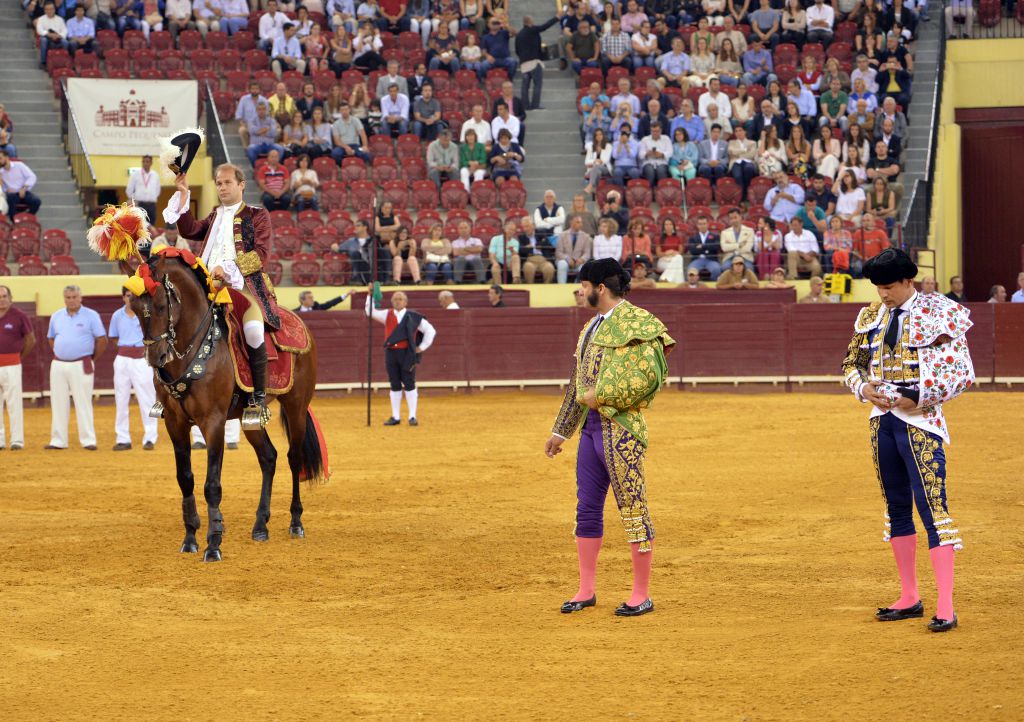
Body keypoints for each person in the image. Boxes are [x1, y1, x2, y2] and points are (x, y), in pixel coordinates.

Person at [841, 249, 975, 633]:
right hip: (881, 420)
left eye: (888, 287)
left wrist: (916, 397)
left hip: (921, 421)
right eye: (878, 288)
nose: (882, 295)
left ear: (907, 281)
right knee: (896, 507)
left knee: (933, 507)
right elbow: (851, 364)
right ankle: (909, 596)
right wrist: (865, 388)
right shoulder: (871, 316)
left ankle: (946, 605)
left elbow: (961, 372)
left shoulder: (939, 311)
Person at [546, 258, 675, 617]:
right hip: (590, 430)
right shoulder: (589, 328)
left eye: (584, 286)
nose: (579, 291)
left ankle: (641, 594)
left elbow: (647, 378)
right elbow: (578, 383)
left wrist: (598, 396)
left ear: (600, 288)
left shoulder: (640, 324)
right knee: (586, 509)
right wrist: (561, 431)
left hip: (622, 429)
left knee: (633, 508)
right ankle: (586, 590)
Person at [164, 164, 277, 425]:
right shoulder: (214, 215)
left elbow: (260, 255)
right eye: (218, 183)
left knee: (253, 331)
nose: (222, 187)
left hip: (243, 288)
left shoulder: (257, 215)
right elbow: (189, 230)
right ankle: (169, 392)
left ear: (241, 184)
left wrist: (228, 269)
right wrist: (183, 195)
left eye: (227, 182)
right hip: (206, 287)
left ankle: (258, 398)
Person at [46, 285, 106, 450]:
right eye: (68, 297)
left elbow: (102, 339)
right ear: (64, 298)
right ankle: (58, 440)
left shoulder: (91, 315)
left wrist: (90, 358)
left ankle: (88, 440)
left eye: (74, 297)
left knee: (83, 402)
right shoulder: (56, 316)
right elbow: (51, 338)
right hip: (58, 364)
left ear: (80, 297)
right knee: (58, 402)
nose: (71, 300)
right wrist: (61, 350)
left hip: (82, 363)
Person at [365, 287, 436, 426]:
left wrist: (421, 347)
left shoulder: (414, 316)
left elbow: (430, 331)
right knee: (394, 383)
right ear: (391, 302)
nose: (398, 301)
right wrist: (370, 295)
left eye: (400, 299)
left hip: (407, 354)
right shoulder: (387, 314)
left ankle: (412, 416)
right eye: (395, 299)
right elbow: (369, 311)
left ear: (406, 302)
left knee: (409, 383)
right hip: (391, 353)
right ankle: (395, 416)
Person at [108, 287, 158, 451]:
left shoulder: (146, 313)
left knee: (148, 399)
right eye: (128, 296)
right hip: (123, 358)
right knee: (120, 399)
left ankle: (150, 437)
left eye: (134, 296)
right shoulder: (117, 315)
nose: (131, 299)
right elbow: (114, 338)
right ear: (123, 297)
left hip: (142, 359)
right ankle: (122, 438)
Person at [0, 286, 35, 451]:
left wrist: (19, 357)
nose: (2, 299)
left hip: (12, 364)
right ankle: (0, 441)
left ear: (10, 298)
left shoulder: (19, 315)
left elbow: (30, 339)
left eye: (4, 296)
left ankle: (17, 440)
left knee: (14, 403)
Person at [516, 14, 559, 110]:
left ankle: (525, 105)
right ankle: (535, 105)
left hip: (524, 64)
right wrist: (556, 18)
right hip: (534, 62)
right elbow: (544, 26)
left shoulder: (519, 35)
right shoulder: (532, 30)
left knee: (525, 86)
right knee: (537, 84)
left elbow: (517, 50)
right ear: (530, 22)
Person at [0, 150, 41, 221]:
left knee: (36, 201)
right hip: (12, 194)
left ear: (6, 157)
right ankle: (15, 221)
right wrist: (6, 189)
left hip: (23, 191)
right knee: (9, 199)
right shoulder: (1, 172)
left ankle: (27, 218)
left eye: (0, 158)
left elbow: (32, 176)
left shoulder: (19, 165)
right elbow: (2, 188)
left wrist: (24, 188)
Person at [555, 215, 593, 284]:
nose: (580, 224)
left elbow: (587, 253)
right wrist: (568, 259)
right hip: (565, 260)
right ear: (571, 223)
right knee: (562, 264)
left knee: (584, 268)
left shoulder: (586, 236)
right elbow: (558, 252)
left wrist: (581, 259)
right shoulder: (562, 235)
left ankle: (578, 288)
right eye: (578, 222)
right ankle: (561, 287)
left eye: (581, 222)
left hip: (579, 262)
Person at [125, 154, 160, 226]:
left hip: (151, 205)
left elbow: (157, 190)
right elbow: (130, 189)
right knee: (140, 226)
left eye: (147, 161)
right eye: (144, 161)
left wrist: (152, 197)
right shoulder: (135, 174)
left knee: (151, 226)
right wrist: (133, 200)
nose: (145, 163)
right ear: (142, 162)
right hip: (140, 204)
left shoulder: (155, 175)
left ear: (151, 163)